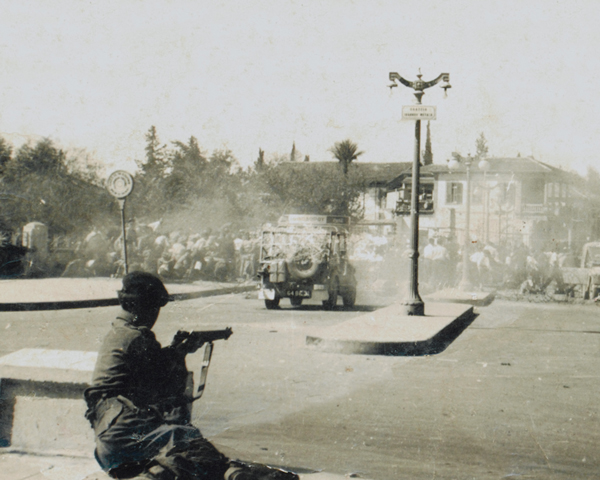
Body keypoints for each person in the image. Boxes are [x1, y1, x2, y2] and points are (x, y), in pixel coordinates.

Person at [84, 271, 297, 480]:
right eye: (154, 307)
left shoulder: (118, 332)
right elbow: (164, 387)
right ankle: (230, 473)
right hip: (125, 430)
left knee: (179, 450)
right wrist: (179, 353)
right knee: (187, 441)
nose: (155, 314)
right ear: (141, 307)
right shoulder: (137, 337)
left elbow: (146, 372)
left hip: (108, 436)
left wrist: (177, 351)